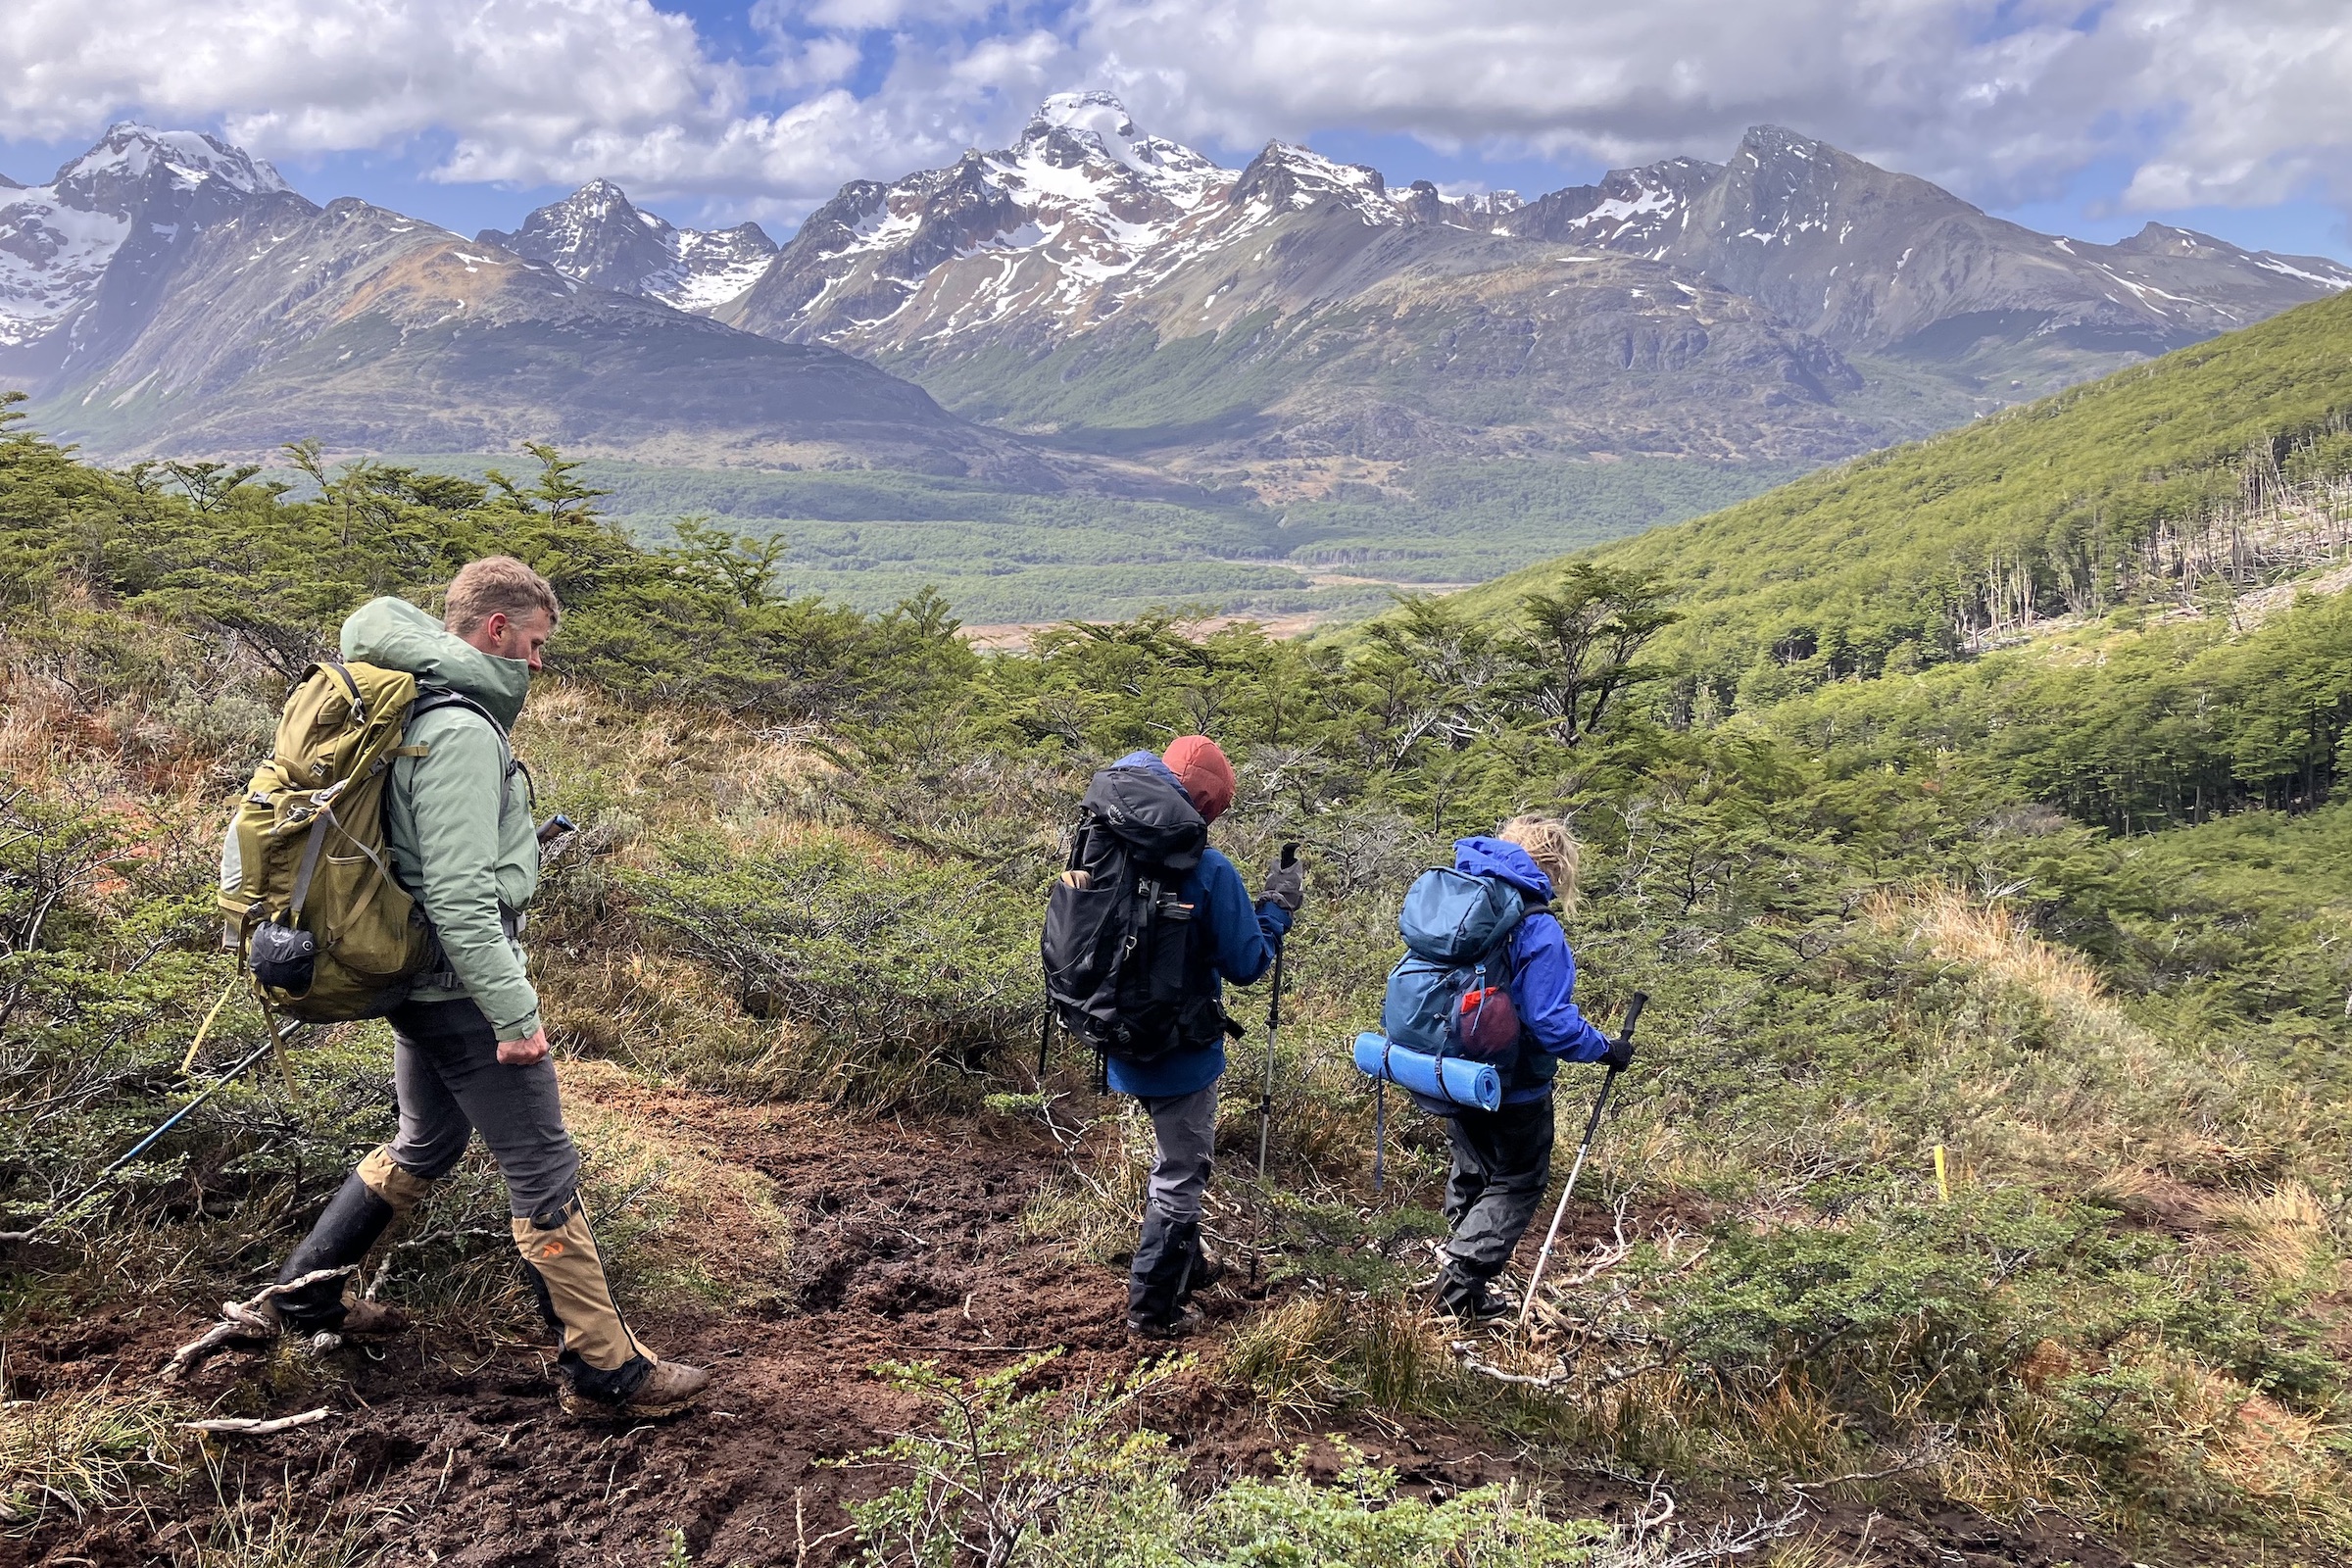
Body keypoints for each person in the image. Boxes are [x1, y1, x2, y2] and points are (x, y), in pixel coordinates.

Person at [262, 557, 711, 1421]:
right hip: (460, 990)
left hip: (415, 975)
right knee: (543, 1166)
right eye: (535, 644)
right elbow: (461, 894)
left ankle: (304, 1297)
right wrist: (514, 1015)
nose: (539, 664)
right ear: (495, 630)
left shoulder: (408, 704)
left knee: (426, 1143)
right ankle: (605, 1375)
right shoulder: (463, 729)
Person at [1103, 737, 1303, 1340]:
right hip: (1179, 1052)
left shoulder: (1106, 845)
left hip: (1116, 1036)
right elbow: (1248, 963)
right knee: (1182, 1170)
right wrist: (1277, 906)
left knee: (1174, 1156)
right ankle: (1154, 1309)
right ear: (1208, 805)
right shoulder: (1209, 870)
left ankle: (1186, 1266)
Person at [1431, 815, 1626, 1325]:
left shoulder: (1462, 902)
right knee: (1518, 1178)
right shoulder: (1537, 925)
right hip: (1511, 1083)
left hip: (1450, 1067)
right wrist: (1604, 1048)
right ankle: (1459, 1283)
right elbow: (1550, 1023)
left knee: (1473, 1165)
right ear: (1557, 867)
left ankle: (1456, 1260)